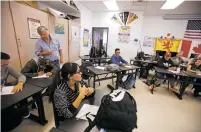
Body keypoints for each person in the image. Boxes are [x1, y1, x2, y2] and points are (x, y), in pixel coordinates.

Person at [1, 52, 26, 131]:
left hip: (3, 93)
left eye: (6, 64)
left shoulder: (7, 67)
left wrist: (20, 83)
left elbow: (21, 76)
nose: (5, 66)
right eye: (2, 65)